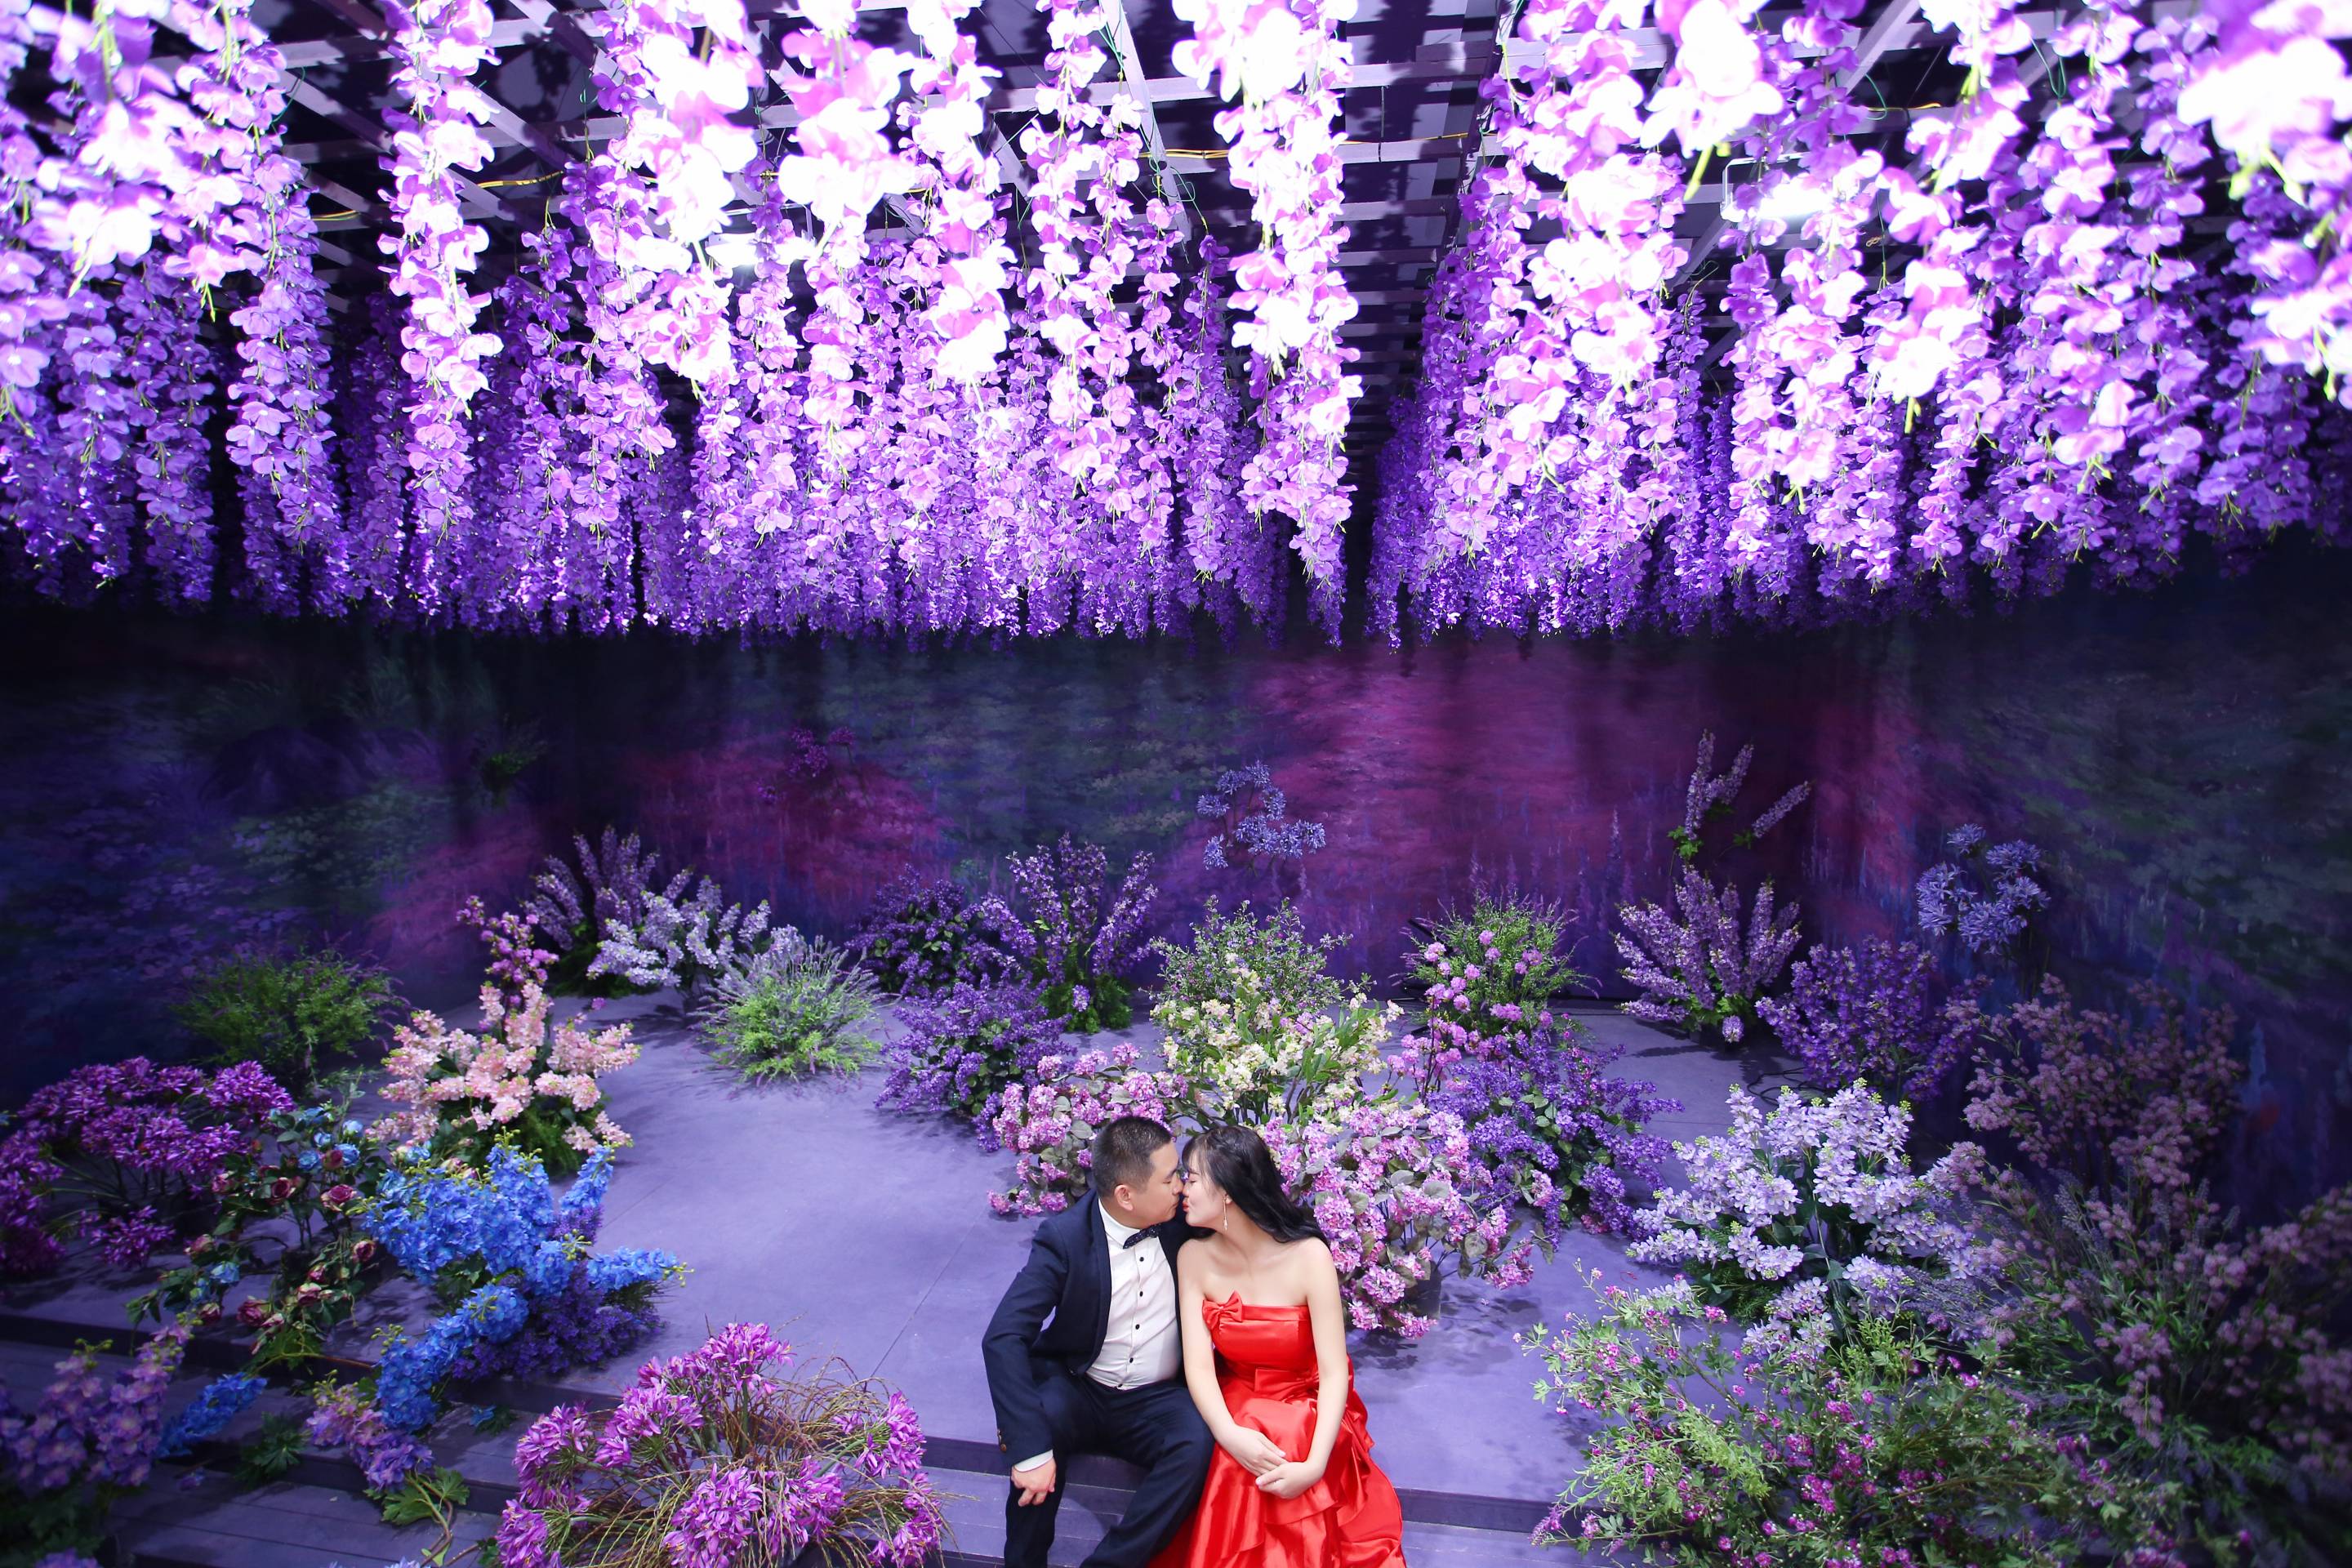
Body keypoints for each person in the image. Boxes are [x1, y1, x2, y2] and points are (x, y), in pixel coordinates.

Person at [1149, 1124, 1406, 1568]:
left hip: (1307, 1397)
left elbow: (1334, 1373)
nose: (1182, 1190)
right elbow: (1199, 1367)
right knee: (1245, 1435)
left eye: (1192, 1178)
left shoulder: (1309, 1256)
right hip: (1238, 1394)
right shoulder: (1194, 1256)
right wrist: (1229, 1434)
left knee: (1287, 1435)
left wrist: (1314, 1465)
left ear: (1227, 1191)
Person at [983, 1115, 1215, 1568]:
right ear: (1126, 1195)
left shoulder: (1186, 1220)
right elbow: (1004, 1335)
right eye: (1170, 1178)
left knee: (1196, 1443)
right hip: (1081, 1385)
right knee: (1041, 1428)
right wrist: (1029, 1448)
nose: (1181, 1186)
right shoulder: (1066, 1238)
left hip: (1157, 1395)